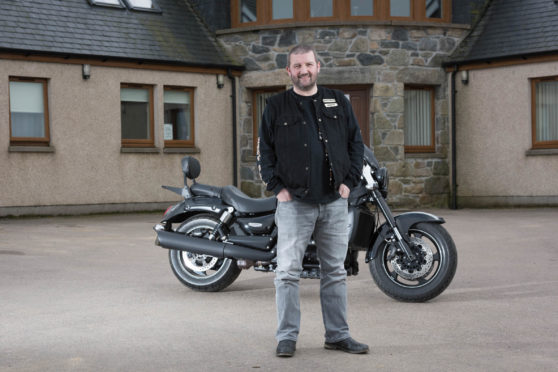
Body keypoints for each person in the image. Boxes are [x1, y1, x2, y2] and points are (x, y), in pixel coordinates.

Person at [257, 44, 368, 357]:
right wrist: (277, 187)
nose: (303, 71)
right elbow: (264, 151)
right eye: (297, 66)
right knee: (288, 273)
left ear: (318, 66)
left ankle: (337, 335)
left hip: (333, 201)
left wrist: (349, 183)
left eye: (308, 64)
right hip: (294, 203)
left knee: (334, 271)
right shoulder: (276, 105)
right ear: (288, 72)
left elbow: (355, 145)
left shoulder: (339, 101)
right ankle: (287, 337)